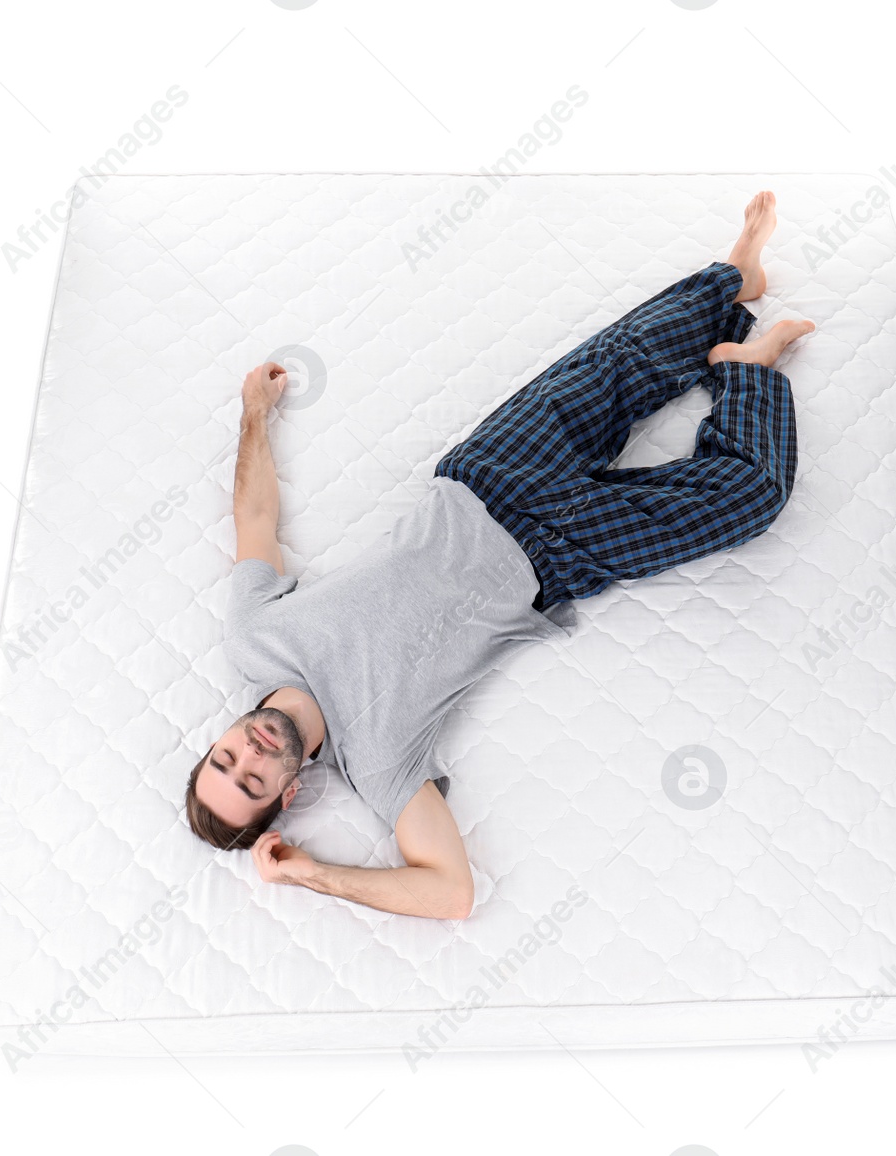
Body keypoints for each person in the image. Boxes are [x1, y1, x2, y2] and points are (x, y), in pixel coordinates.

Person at [183, 191, 812, 919]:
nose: (251, 752)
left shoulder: (253, 639)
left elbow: (256, 519)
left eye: (226, 757)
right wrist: (308, 874)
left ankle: (737, 277)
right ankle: (750, 367)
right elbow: (451, 893)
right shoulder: (379, 767)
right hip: (559, 556)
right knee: (750, 495)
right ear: (288, 796)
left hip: (485, 477)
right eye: (254, 780)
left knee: (621, 360)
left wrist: (253, 414)